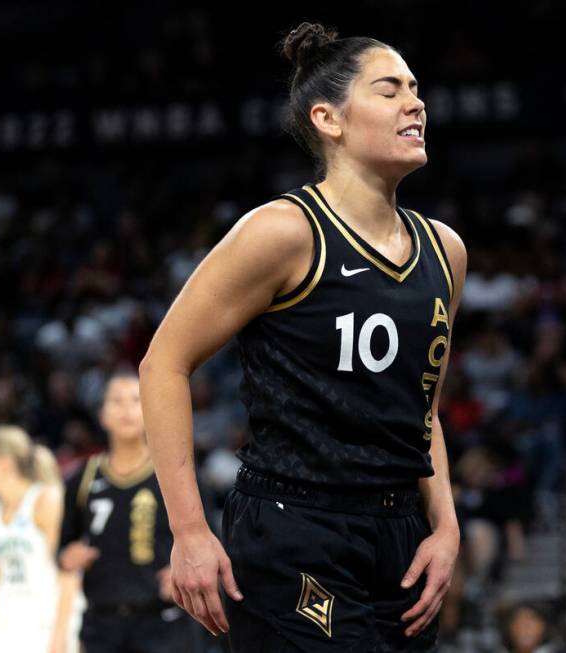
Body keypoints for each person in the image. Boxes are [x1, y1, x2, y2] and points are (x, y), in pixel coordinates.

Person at [139, 21, 466, 652]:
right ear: (329, 118)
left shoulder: (444, 251)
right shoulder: (283, 231)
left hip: (398, 534)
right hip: (294, 524)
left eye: (416, 89)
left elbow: (421, 413)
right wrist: (189, 531)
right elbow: (163, 364)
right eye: (389, 89)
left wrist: (446, 524)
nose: (415, 103)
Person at [57, 372, 189, 652]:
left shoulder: (175, 474)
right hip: (101, 622)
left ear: (151, 411)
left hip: (161, 621)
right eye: (116, 401)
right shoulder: (83, 478)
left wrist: (185, 566)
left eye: (136, 400)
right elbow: (63, 545)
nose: (126, 409)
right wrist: (67, 557)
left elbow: (208, 535)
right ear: (103, 414)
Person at [0, 425, 77, 653]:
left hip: (45, 624)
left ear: (5, 462)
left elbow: (68, 575)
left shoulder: (46, 500)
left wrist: (60, 638)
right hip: (7, 628)